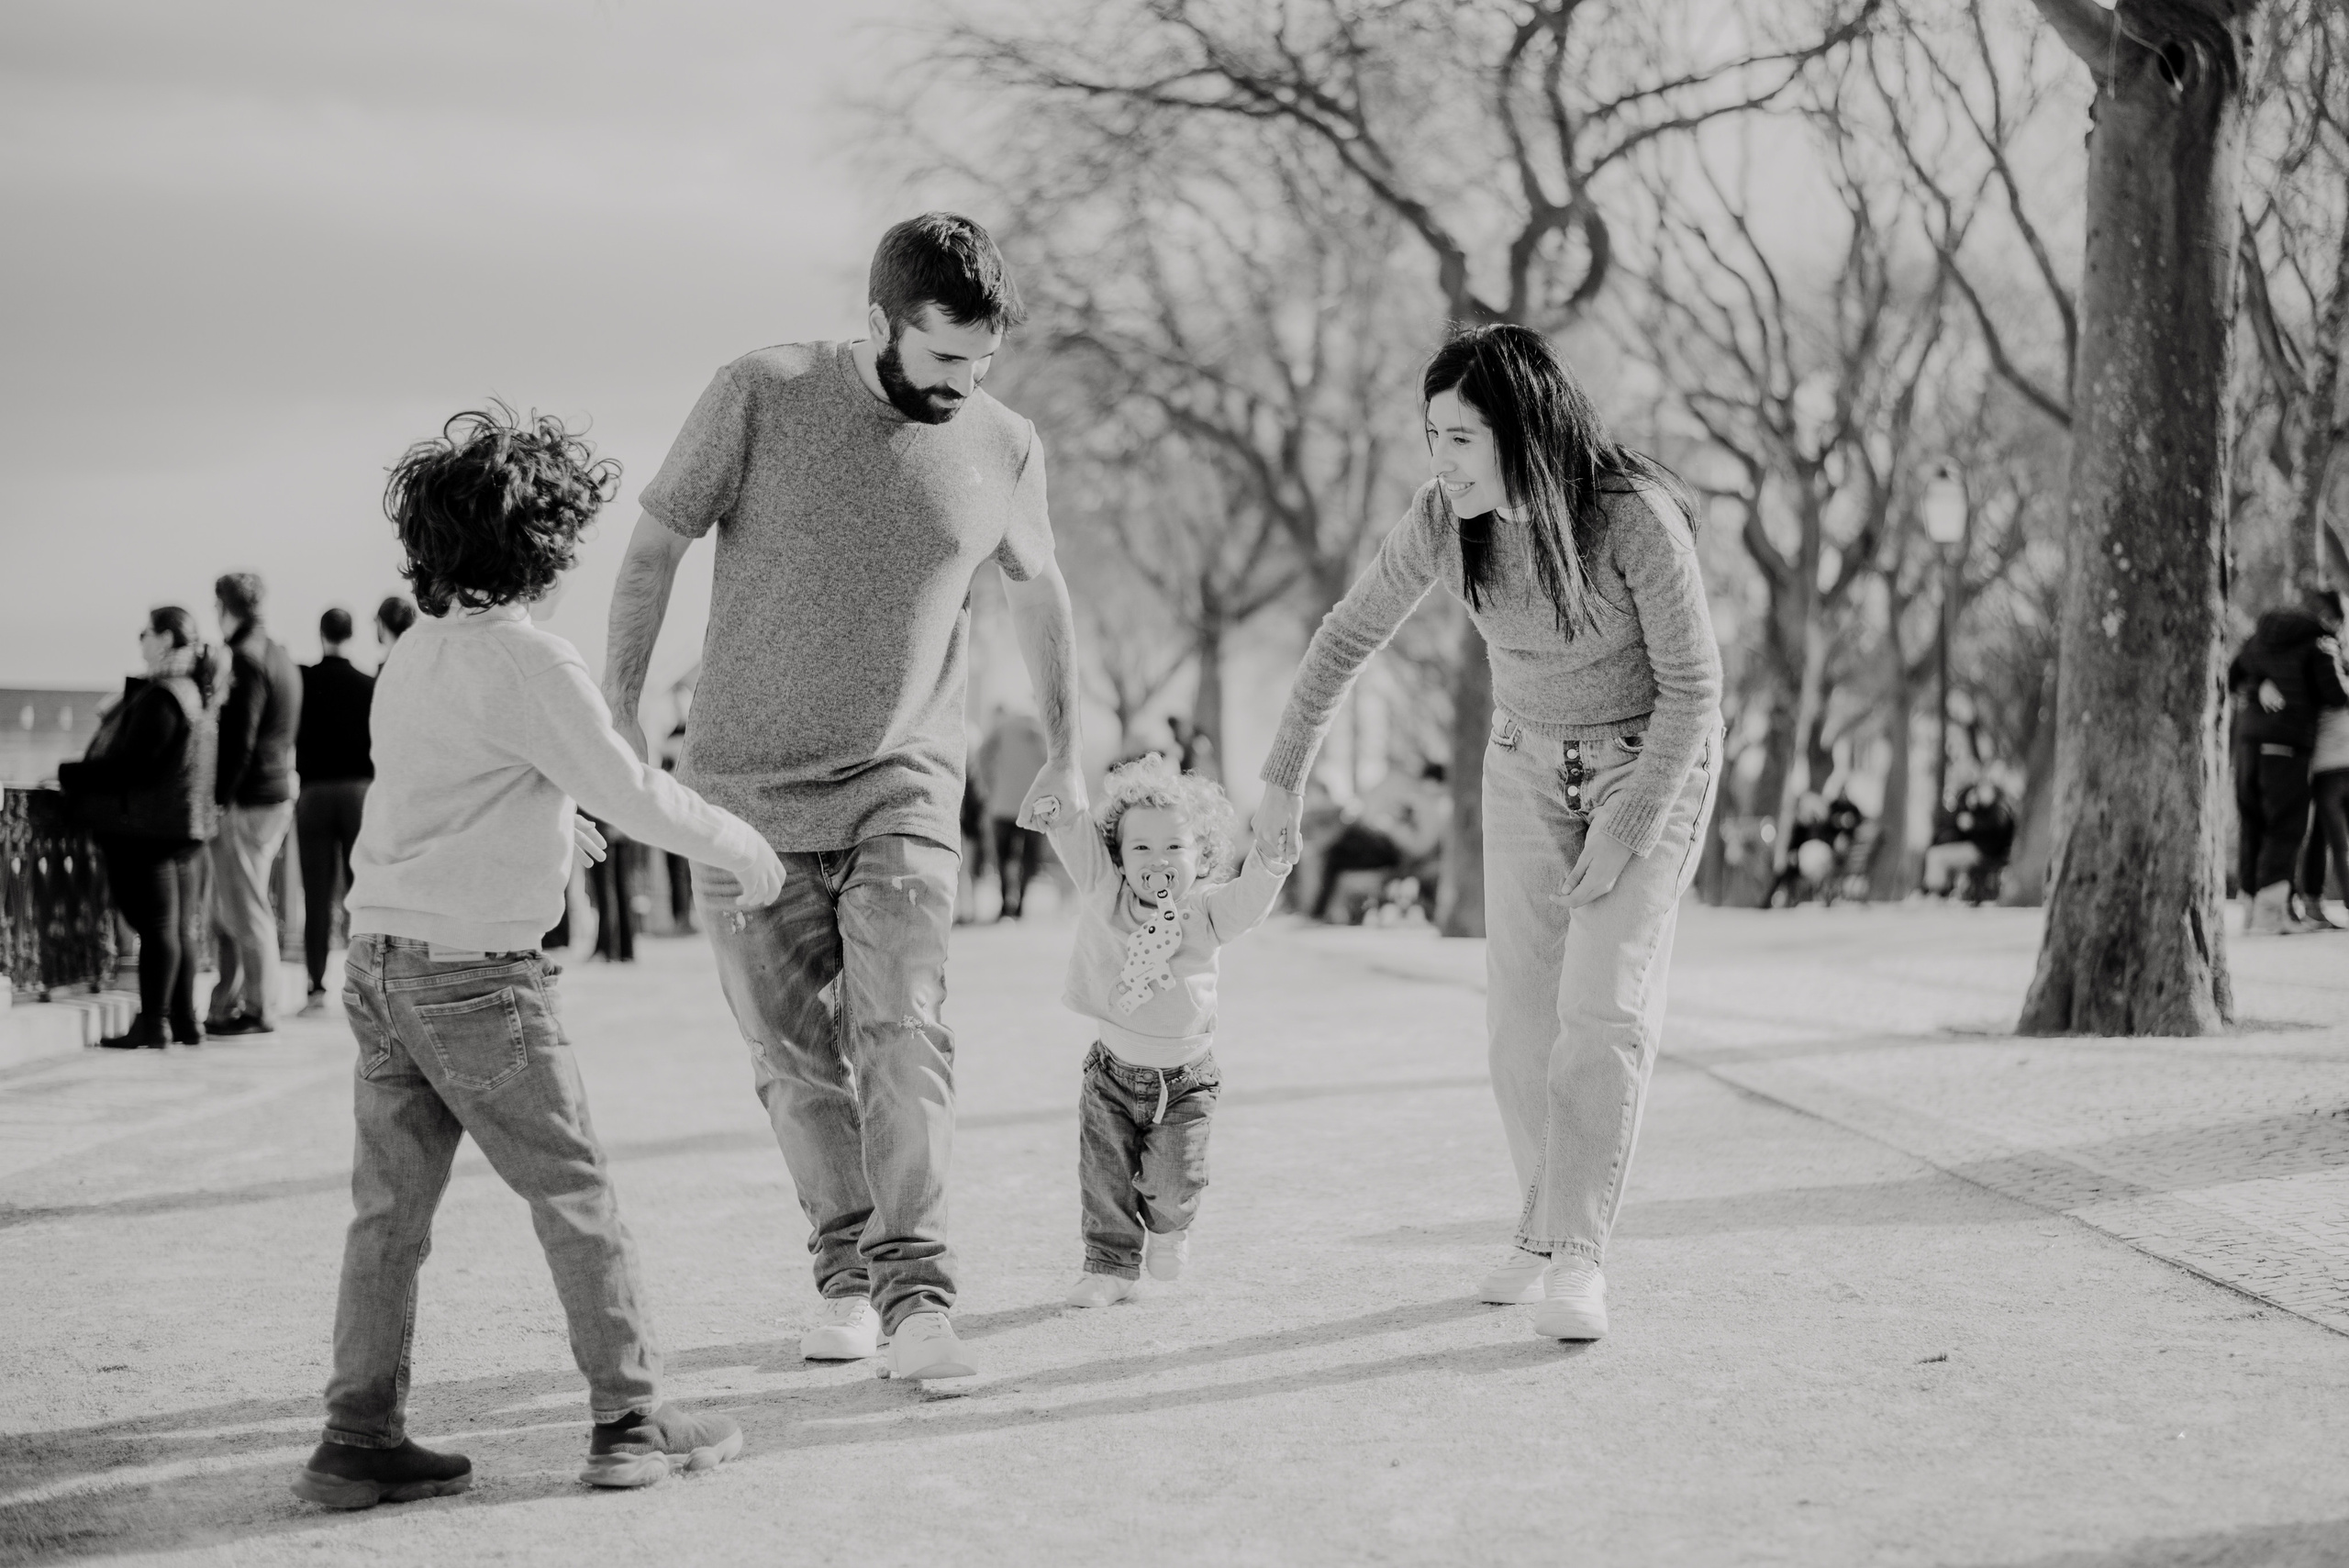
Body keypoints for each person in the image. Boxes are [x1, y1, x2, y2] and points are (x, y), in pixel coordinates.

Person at [601, 213, 1083, 1383]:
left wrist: (1067, 746)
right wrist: (618, 715)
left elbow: (1038, 590)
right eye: (942, 360)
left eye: (981, 362)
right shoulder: (759, 394)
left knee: (903, 1026)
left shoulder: (1003, 444)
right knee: (790, 1051)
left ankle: (920, 1292)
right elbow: (656, 544)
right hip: (741, 793)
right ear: (880, 323)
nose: (964, 385)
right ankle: (846, 1270)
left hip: (903, 781)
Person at [291, 406, 786, 1511]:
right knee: (575, 1193)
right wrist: (742, 842)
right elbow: (631, 784)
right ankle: (629, 1418)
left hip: (379, 958)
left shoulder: (414, 654)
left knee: (388, 1213)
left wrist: (560, 826)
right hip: (478, 976)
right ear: (547, 547)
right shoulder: (531, 656)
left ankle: (357, 1433)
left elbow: (459, 795)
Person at [1253, 324, 1721, 1343]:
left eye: (1460, 436)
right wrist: (1282, 778)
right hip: (1522, 764)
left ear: (1523, 426)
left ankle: (1579, 1254)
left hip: (1650, 762)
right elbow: (1344, 635)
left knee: (1599, 1011)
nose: (1440, 458)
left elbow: (1694, 690)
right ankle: (1543, 1220)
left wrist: (1632, 816)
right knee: (1518, 1022)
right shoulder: (1442, 520)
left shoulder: (1630, 518)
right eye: (1431, 435)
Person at [1030, 755, 1292, 1307]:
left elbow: (1249, 902)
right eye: (1141, 849)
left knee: (1174, 1184)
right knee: (1104, 1179)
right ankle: (1109, 1266)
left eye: (1175, 847)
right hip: (1110, 1075)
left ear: (1203, 854)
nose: (1159, 860)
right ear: (1120, 859)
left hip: (1186, 1082)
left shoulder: (1207, 911)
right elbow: (1075, 835)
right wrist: (1060, 792)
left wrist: (1269, 860)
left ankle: (1171, 1230)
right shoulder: (1108, 894)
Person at [59, 607, 222, 1049]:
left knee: (158, 929)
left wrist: (70, 774)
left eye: (144, 633)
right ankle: (185, 1022)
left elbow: (134, 764)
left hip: (150, 829)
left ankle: (154, 1024)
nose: (141, 641)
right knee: (178, 928)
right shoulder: (196, 692)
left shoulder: (165, 695)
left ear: (166, 639)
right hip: (184, 827)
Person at [206, 572, 303, 1036]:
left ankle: (261, 1007)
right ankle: (232, 1001)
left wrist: (220, 799)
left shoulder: (245, 659)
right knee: (242, 906)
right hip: (277, 793)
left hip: (251, 799)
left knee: (246, 910)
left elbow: (239, 742)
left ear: (226, 607)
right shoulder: (281, 655)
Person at [2229, 587, 2347, 935]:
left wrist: (2260, 683)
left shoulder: (2258, 638)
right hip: (2286, 745)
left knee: (2253, 824)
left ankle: (2251, 911)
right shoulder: (2321, 643)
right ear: (2330, 618)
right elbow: (2335, 694)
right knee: (2285, 825)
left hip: (2247, 744)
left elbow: (2233, 676)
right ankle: (2270, 917)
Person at [295, 606, 375, 1014]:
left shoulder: (304, 680)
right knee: (360, 893)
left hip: (313, 794)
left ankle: (315, 985)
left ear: (321, 633)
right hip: (359, 793)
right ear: (353, 634)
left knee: (316, 893)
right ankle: (362, 983)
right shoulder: (369, 684)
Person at [2298, 591, 2348, 928]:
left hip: (2332, 766)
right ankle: (2315, 902)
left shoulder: (2329, 659)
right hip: (2330, 767)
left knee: (2327, 837)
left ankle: (2313, 902)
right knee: (2335, 840)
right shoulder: (2322, 657)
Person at [975, 704, 1051, 918]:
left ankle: (1004, 903)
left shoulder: (1003, 726)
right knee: (1029, 859)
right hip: (1035, 806)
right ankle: (1020, 905)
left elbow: (982, 754)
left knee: (1002, 857)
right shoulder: (1043, 729)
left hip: (1003, 803)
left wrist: (988, 784)